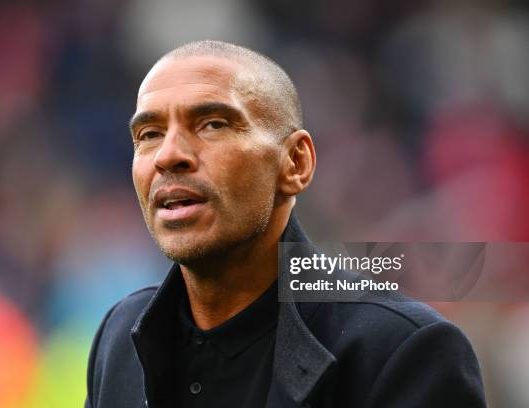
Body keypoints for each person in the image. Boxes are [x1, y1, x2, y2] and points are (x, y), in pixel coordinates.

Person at [84, 40, 486, 408]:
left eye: (213, 125)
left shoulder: (402, 352)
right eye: (149, 134)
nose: (168, 155)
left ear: (296, 163)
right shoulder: (119, 337)